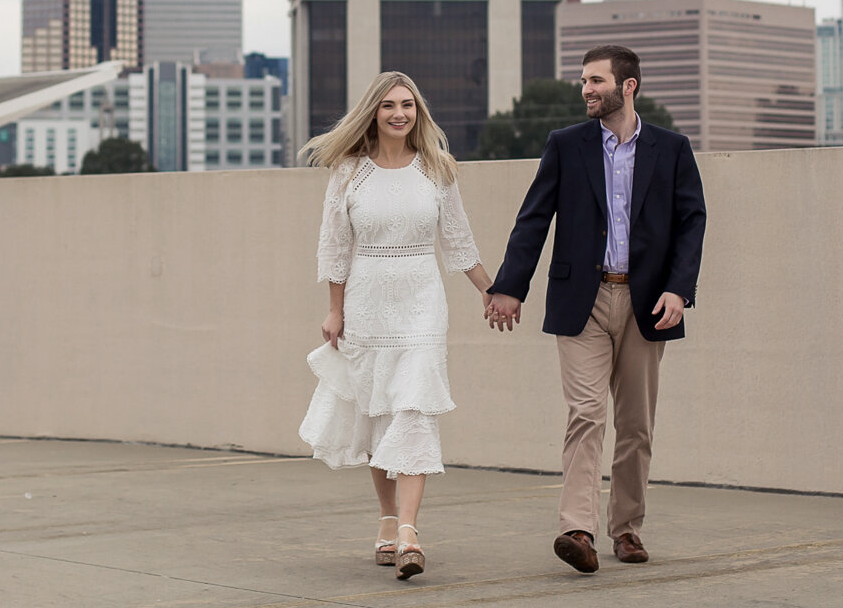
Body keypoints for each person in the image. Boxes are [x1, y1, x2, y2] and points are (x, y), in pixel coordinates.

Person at [484, 44, 707, 573]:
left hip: (647, 302)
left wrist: (680, 289)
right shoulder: (566, 145)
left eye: (596, 81)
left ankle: (626, 529)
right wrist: (510, 286)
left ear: (627, 86)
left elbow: (691, 222)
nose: (587, 89)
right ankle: (577, 529)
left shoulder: (671, 148)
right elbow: (533, 218)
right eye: (583, 81)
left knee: (636, 424)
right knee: (586, 414)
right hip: (581, 301)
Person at [299, 71, 496, 580]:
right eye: (388, 105)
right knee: (378, 412)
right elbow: (335, 246)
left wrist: (490, 291)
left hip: (422, 305)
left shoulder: (438, 169)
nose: (399, 113)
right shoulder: (348, 173)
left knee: (412, 411)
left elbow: (458, 241)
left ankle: (409, 532)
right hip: (366, 303)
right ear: (374, 112)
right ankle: (388, 519)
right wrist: (334, 309)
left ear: (418, 112)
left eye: (407, 105)